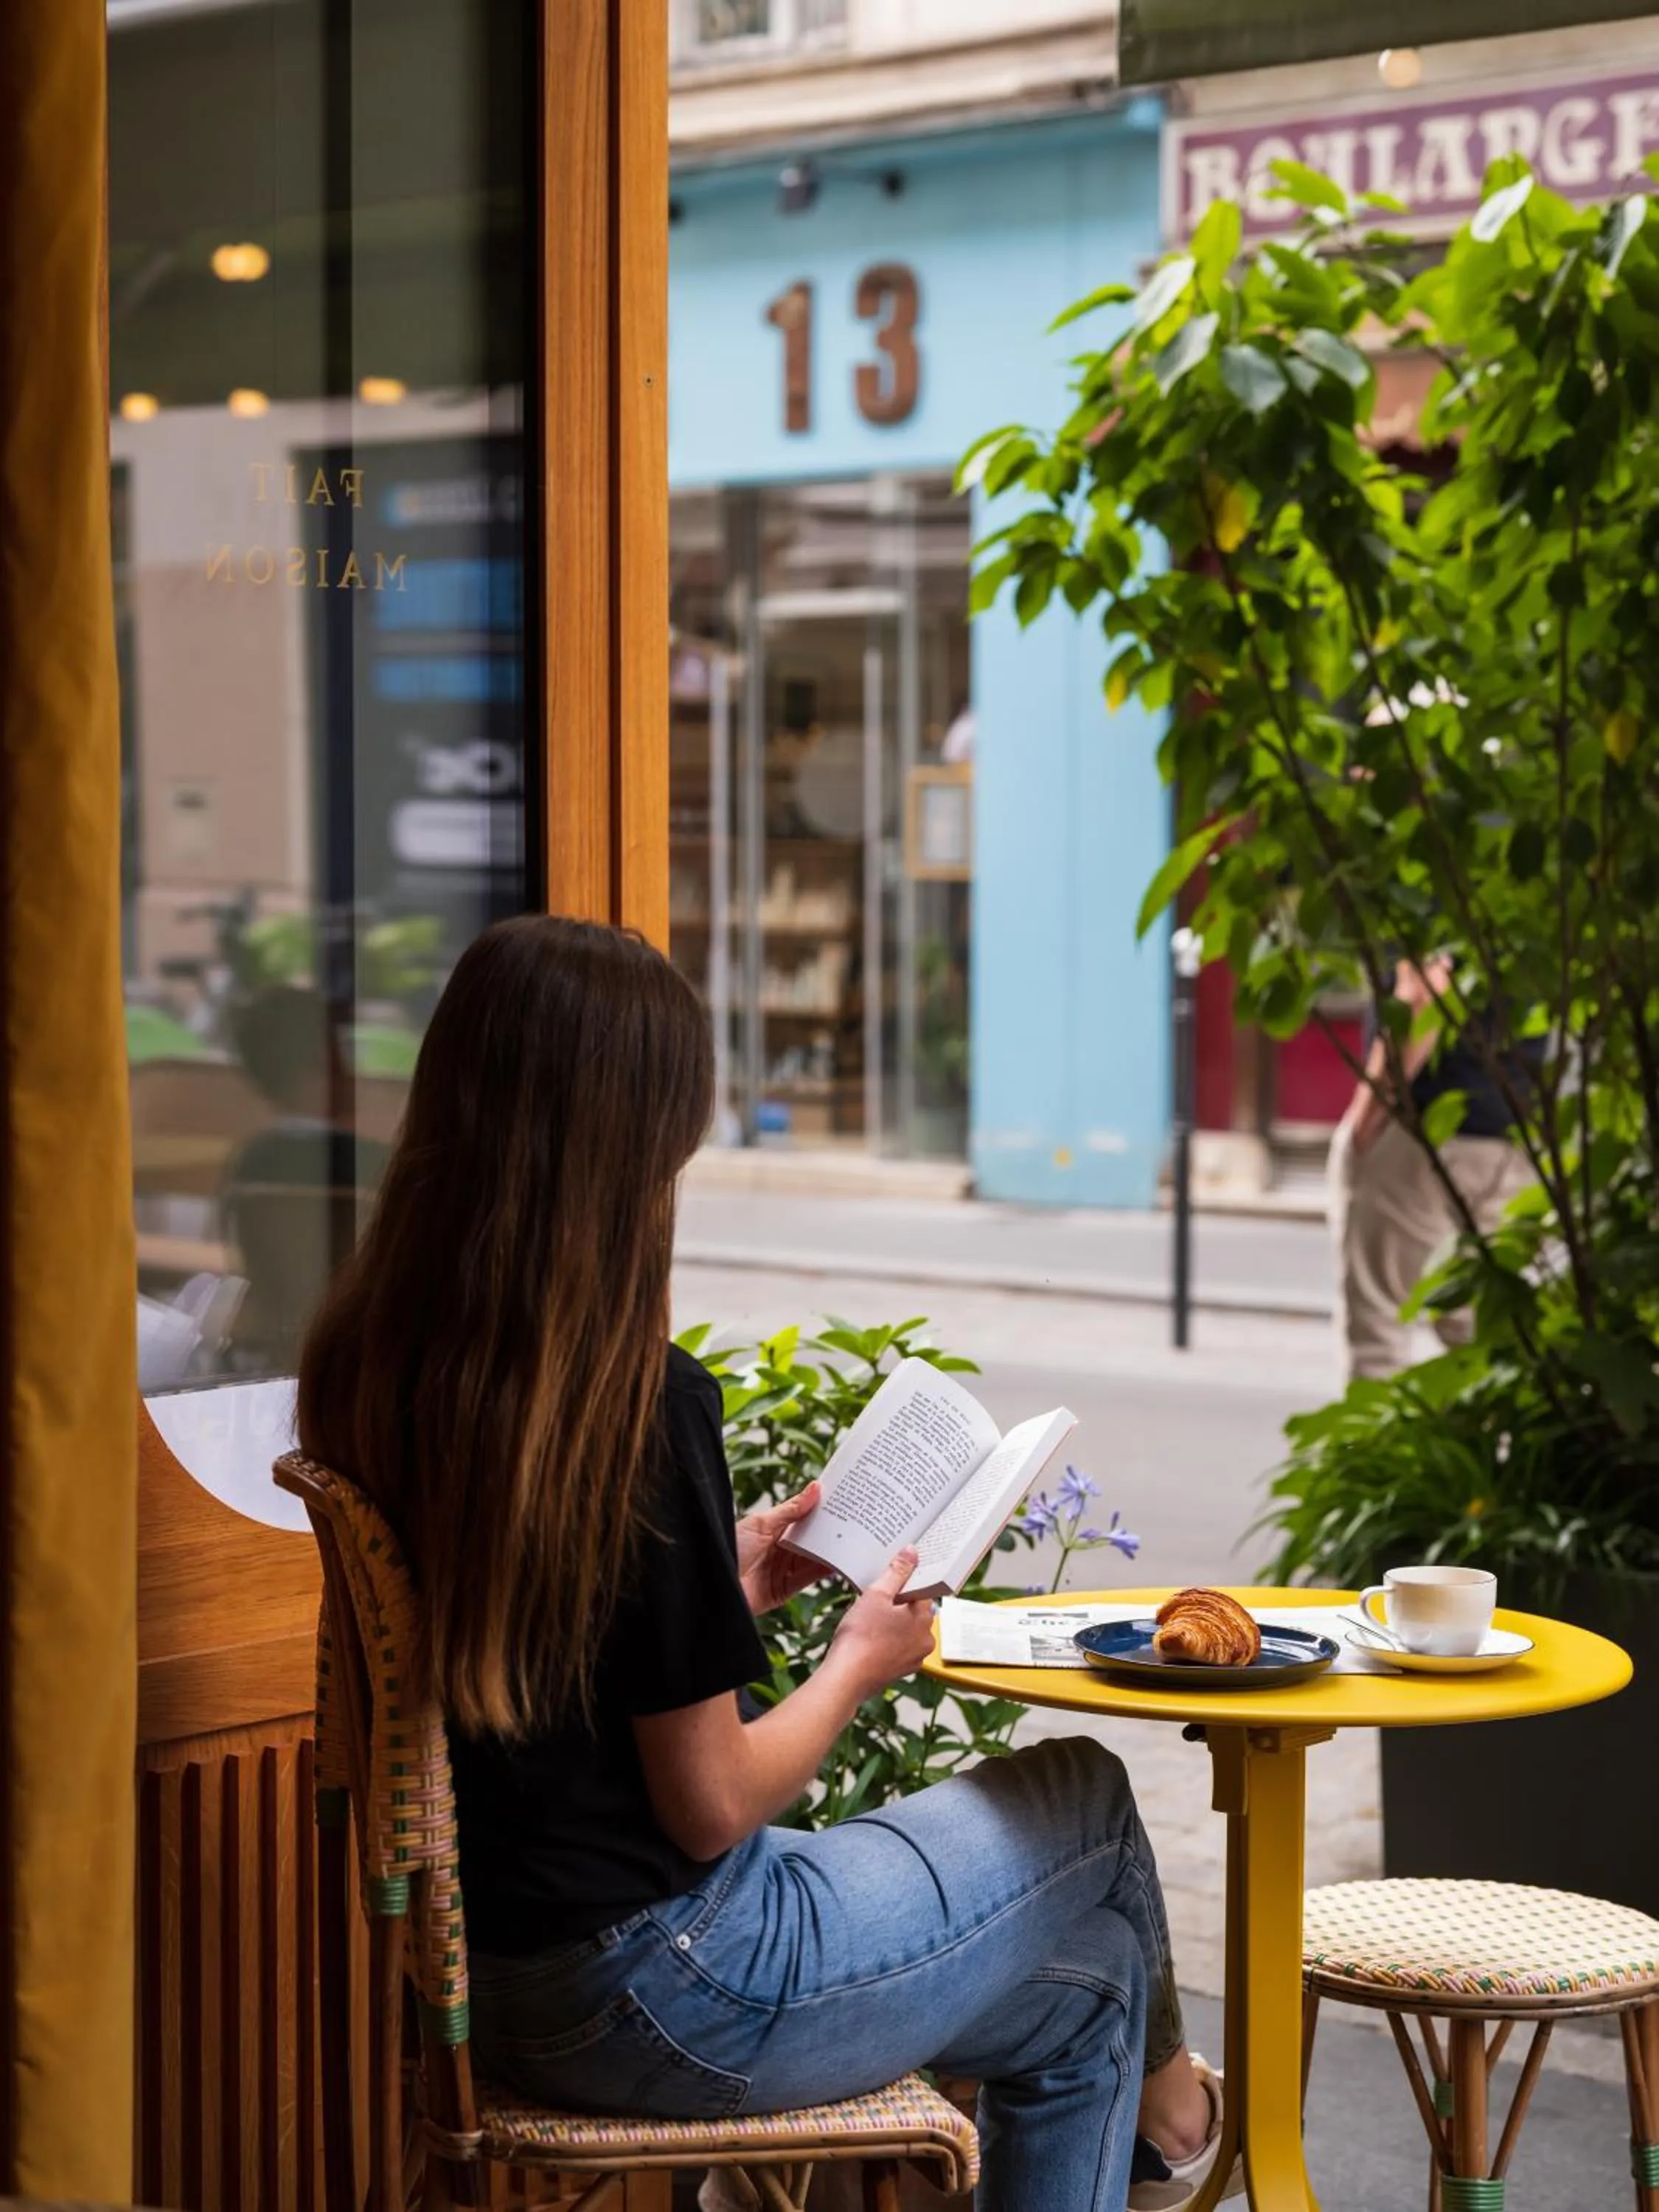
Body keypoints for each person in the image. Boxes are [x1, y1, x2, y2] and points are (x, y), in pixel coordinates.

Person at [296, 915, 1237, 2212]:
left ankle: (1147, 2109)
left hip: (495, 1990)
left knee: (1087, 1989)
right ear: (631, 1148)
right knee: (1083, 1795)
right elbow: (712, 1806)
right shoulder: (629, 1405)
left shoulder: (379, 1367)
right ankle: (1182, 2108)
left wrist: (714, 1584)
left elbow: (528, 1653)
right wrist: (860, 1661)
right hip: (677, 1986)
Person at [1329, 954, 1537, 1382]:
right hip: (1512, 1140)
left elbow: (1424, 992)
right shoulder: (1538, 894)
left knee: (1379, 1333)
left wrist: (1367, 1114)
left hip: (1422, 1135)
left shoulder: (1429, 891)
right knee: (1486, 1332)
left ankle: (1375, 1449)